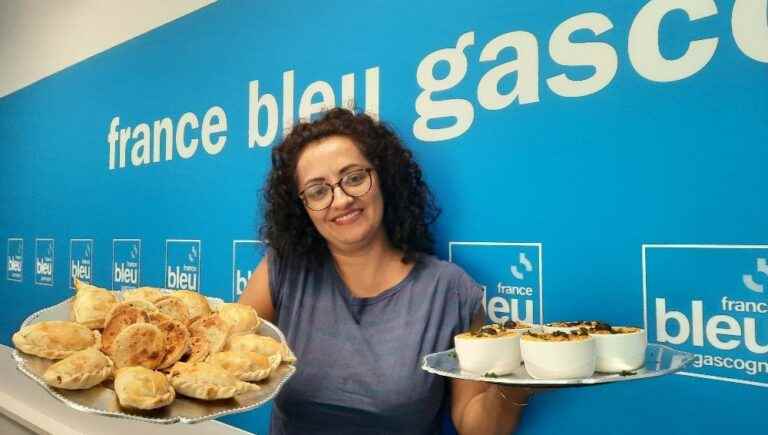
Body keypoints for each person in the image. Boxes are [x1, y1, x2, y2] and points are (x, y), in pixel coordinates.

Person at [240, 108, 532, 435]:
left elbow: (476, 427)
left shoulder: (449, 290)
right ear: (301, 207)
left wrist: (517, 385)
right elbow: (225, 357)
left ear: (383, 177)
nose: (340, 200)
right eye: (318, 191)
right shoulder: (282, 270)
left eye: (353, 177)